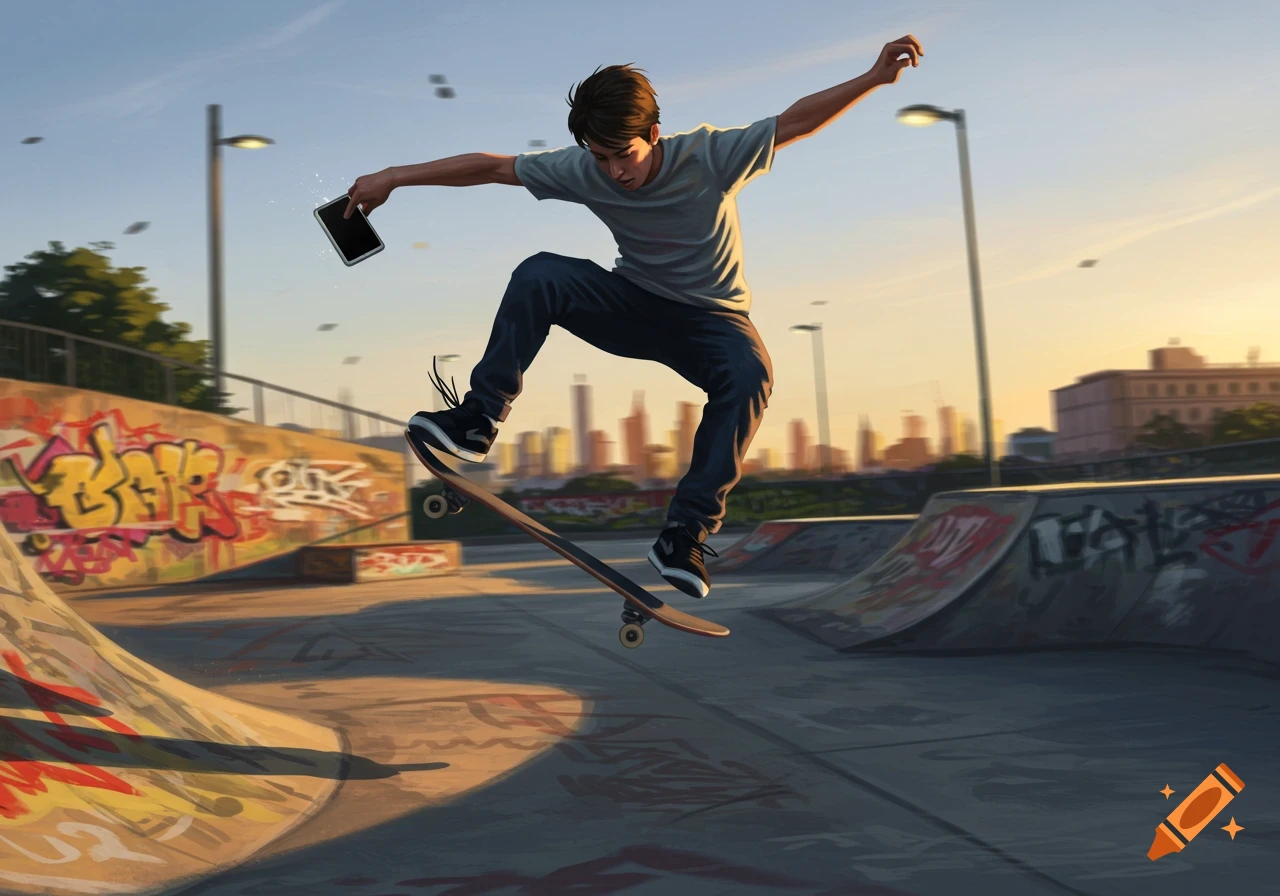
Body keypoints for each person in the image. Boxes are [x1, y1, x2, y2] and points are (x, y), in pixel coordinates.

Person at [345, 36, 923, 600]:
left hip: (712, 323)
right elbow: (493, 168)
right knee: (540, 272)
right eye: (602, 158)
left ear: (652, 133)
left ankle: (684, 536)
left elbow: (794, 121)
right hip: (634, 304)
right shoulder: (584, 168)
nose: (616, 172)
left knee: (750, 375)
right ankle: (477, 419)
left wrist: (872, 78)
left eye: (626, 154)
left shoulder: (711, 155)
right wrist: (395, 176)